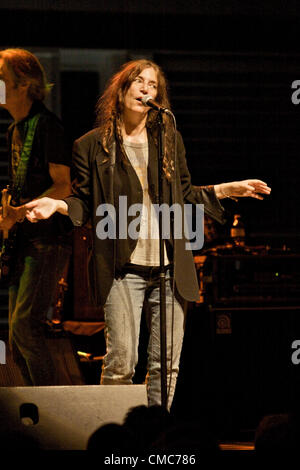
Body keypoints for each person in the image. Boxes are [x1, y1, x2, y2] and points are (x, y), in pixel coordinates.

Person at [24, 59, 271, 406]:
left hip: (170, 269)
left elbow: (185, 195)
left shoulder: (168, 140)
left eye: (153, 85)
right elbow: (85, 202)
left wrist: (228, 189)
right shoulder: (91, 145)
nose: (145, 89)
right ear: (121, 89)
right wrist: (59, 205)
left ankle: (155, 438)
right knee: (121, 363)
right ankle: (114, 438)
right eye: (138, 82)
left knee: (165, 366)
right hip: (122, 270)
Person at [0, 48, 72, 385]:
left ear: (23, 84)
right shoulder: (16, 130)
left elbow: (64, 185)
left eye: (1, 78)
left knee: (25, 329)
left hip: (47, 241)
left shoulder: (47, 127)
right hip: (25, 242)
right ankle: (36, 416)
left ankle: (53, 416)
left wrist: (22, 212)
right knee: (16, 340)